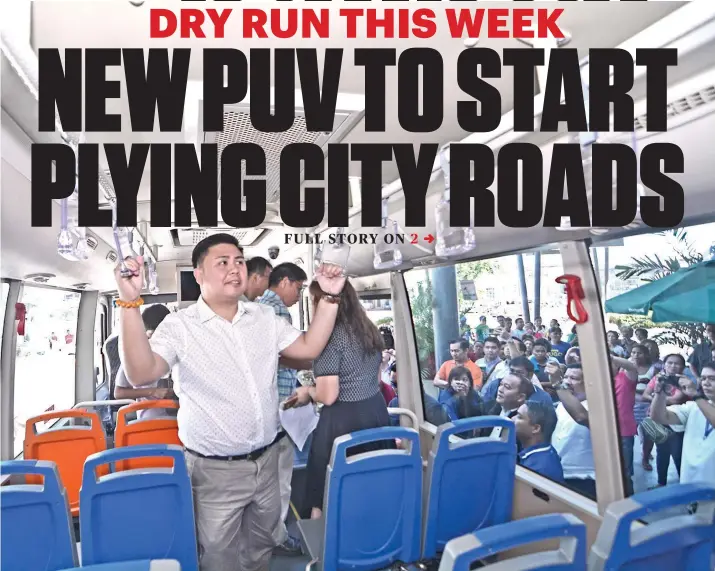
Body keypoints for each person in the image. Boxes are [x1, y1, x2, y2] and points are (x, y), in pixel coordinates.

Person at [115, 233, 346, 571]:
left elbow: (309, 349)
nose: (234, 268)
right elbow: (140, 373)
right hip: (214, 472)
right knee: (219, 558)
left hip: (267, 462)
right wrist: (128, 302)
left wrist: (329, 296)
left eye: (238, 261)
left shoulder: (264, 319)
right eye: (222, 262)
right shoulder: (179, 326)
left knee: (261, 549)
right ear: (198, 275)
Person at [286, 280, 393, 520]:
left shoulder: (328, 338)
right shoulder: (369, 329)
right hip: (376, 412)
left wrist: (308, 393)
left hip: (342, 420)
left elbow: (328, 394)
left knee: (324, 487)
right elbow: (376, 379)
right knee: (369, 481)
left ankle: (325, 546)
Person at [257, 262, 308, 556]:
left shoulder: (258, 307)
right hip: (279, 404)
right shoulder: (276, 310)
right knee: (280, 477)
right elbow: (284, 356)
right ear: (285, 282)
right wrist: (310, 360)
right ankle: (276, 535)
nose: (299, 295)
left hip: (267, 404)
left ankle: (266, 532)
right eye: (299, 288)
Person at [649, 362, 715, 487]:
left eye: (712, 379)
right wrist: (660, 393)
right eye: (703, 378)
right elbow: (659, 417)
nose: (706, 383)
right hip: (691, 484)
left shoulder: (698, 402)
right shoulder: (694, 407)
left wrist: (696, 395)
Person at [114, 304, 178, 419]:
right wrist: (152, 392)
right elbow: (119, 393)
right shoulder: (135, 355)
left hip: (181, 419)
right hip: (150, 419)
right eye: (153, 336)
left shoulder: (180, 349)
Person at [514, 401, 564, 483]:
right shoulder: (545, 453)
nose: (513, 419)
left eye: (519, 417)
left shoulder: (538, 470)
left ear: (535, 428)